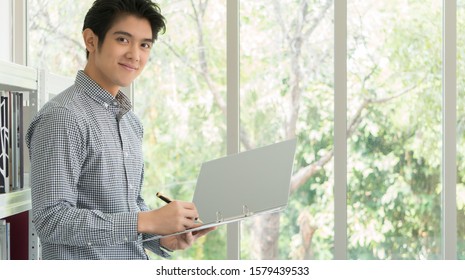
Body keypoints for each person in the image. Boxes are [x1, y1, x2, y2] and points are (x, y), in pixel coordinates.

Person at [26, 0, 214, 260]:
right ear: (91, 40)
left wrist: (162, 236)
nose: (135, 55)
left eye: (145, 45)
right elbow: (51, 220)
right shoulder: (63, 117)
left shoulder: (131, 123)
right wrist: (144, 221)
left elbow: (129, 206)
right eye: (123, 40)